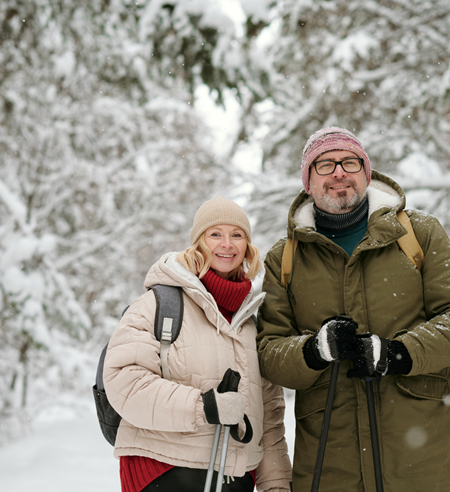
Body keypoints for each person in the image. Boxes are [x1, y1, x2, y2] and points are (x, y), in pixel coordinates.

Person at [256, 126, 450, 492]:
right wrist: (314, 350)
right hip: (331, 463)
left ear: (367, 172)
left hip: (422, 460)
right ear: (308, 182)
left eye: (349, 162)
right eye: (324, 165)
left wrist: (398, 353)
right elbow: (268, 352)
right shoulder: (285, 258)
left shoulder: (419, 235)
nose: (339, 173)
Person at [103, 196, 292, 492]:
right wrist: (202, 406)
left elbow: (268, 417)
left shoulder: (250, 325)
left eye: (237, 235)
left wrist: (278, 484)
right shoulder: (158, 304)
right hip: (163, 470)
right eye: (215, 234)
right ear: (198, 244)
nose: (226, 244)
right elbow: (124, 381)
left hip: (235, 477)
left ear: (247, 247)